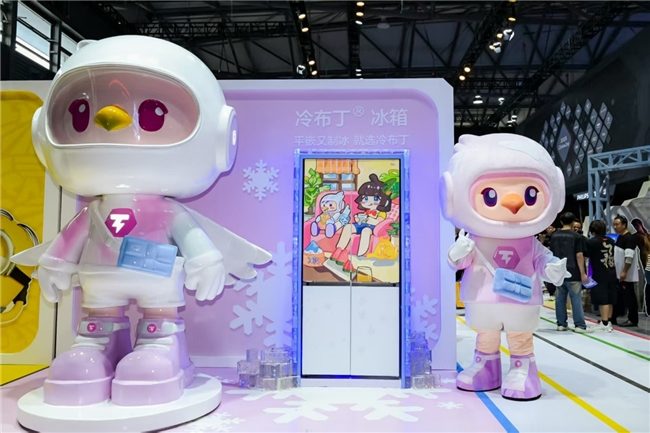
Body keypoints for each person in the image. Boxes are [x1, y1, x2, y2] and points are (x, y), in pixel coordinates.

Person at [442, 133, 569, 401]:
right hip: (483, 295)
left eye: (530, 193)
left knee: (520, 336)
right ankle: (485, 366)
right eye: (489, 195)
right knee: (485, 335)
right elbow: (456, 263)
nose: (514, 203)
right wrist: (457, 253)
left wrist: (552, 268)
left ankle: (523, 370)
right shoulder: (473, 238)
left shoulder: (529, 241)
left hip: (520, 298)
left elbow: (541, 258)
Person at [549, 211, 591, 332]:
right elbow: (579, 255)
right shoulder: (577, 237)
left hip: (559, 272)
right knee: (576, 299)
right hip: (573, 271)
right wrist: (583, 273)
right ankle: (579, 325)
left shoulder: (554, 236)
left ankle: (561, 324)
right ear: (573, 222)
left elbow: (551, 254)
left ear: (561, 222)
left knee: (560, 298)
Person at [584, 220, 617, 331]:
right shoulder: (611, 241)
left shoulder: (591, 242)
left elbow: (586, 255)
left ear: (592, 230)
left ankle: (604, 323)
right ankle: (609, 320)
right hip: (612, 271)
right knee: (610, 298)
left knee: (603, 299)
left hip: (599, 273)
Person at [612, 215, 640, 327]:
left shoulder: (629, 238)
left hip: (626, 274)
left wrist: (624, 271)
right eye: (614, 224)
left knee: (629, 297)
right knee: (620, 296)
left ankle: (633, 319)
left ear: (624, 225)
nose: (615, 227)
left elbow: (629, 257)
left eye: (617, 224)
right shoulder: (620, 237)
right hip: (619, 274)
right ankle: (614, 317)